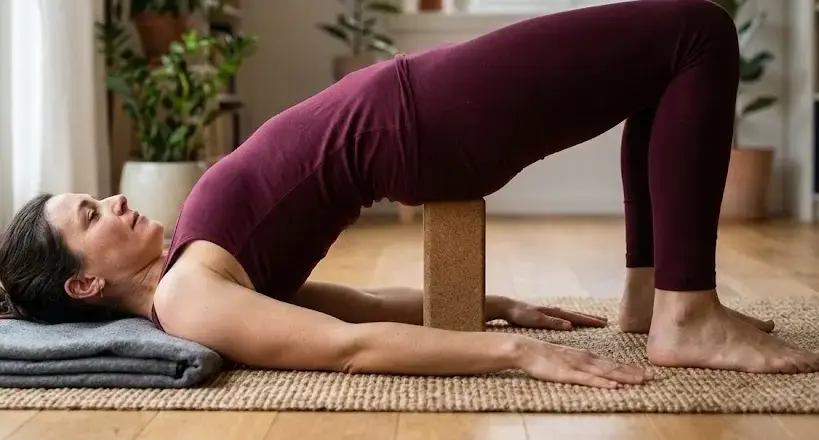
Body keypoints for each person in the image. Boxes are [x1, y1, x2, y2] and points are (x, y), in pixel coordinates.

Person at [1, 0, 817, 390]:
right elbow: (350, 350)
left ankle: (652, 299)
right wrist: (516, 355)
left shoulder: (195, 277)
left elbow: (352, 305)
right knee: (696, 33)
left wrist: (498, 306)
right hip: (423, 118)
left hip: (416, 110)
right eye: (90, 215)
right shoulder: (188, 299)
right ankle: (685, 313)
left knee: (662, 65)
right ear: (85, 282)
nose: (113, 201)